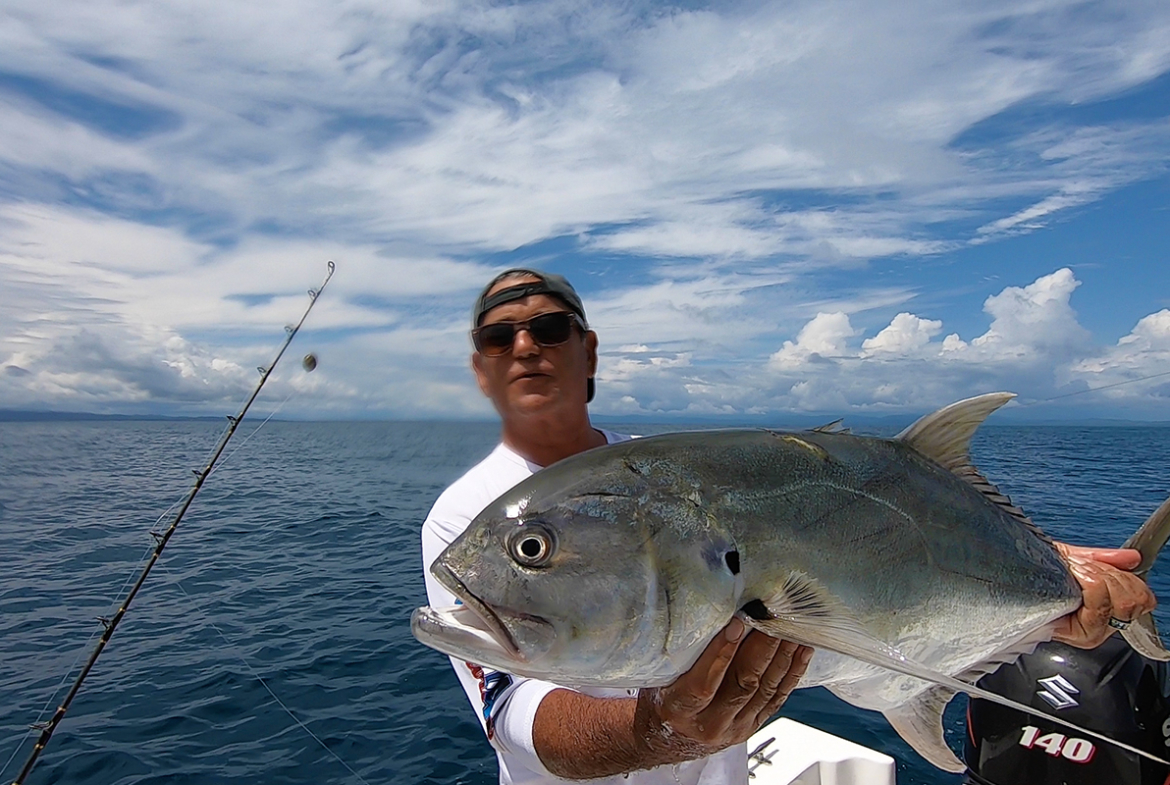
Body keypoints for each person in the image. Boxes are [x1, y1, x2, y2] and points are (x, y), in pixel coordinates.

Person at [420, 267, 1158, 784]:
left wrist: (1052, 581)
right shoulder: (464, 516)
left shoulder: (655, 475)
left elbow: (873, 535)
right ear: (479, 368)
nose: (524, 347)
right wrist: (657, 729)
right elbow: (516, 712)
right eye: (498, 338)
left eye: (549, 328)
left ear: (589, 353)